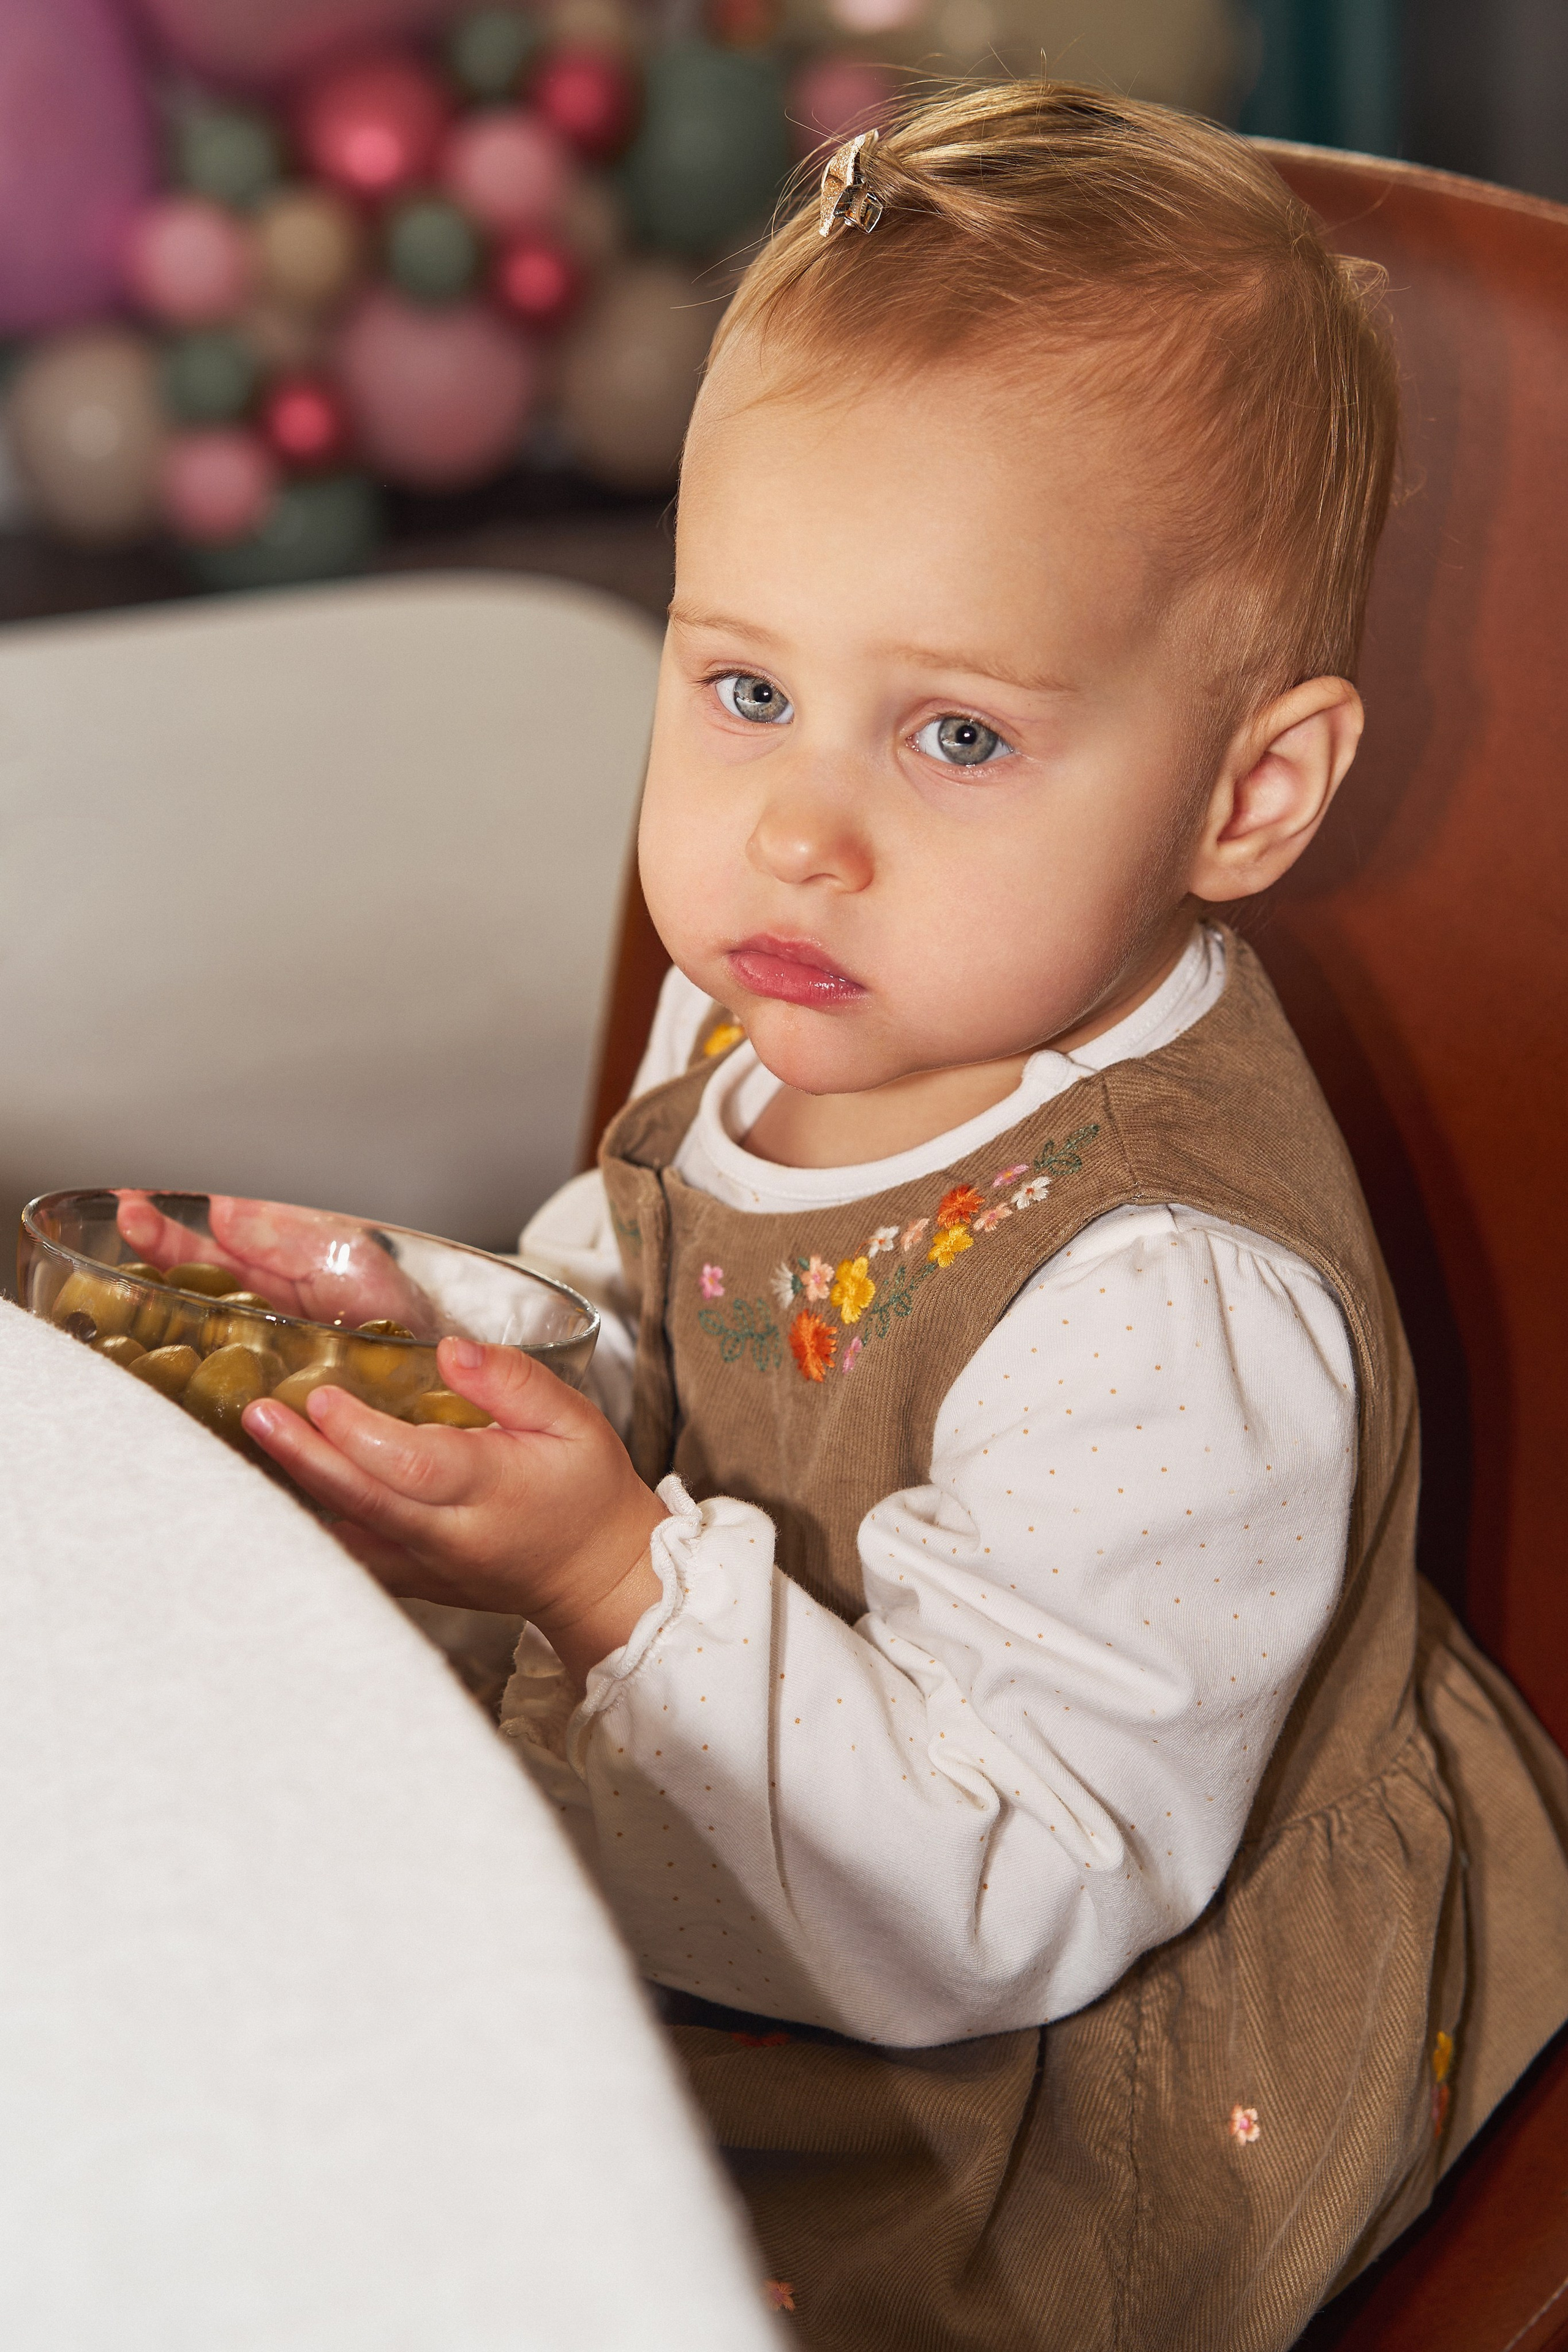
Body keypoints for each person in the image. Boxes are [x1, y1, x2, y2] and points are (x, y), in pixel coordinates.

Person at [121, 81, 1568, 2352]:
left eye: (959, 738)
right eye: (746, 687)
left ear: (1247, 790)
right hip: (758, 1773)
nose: (799, 832)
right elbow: (678, 1290)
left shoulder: (1165, 1308)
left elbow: (1007, 1896)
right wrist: (454, 1333)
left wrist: (607, 1578)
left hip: (1034, 2022)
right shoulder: (806, 986)